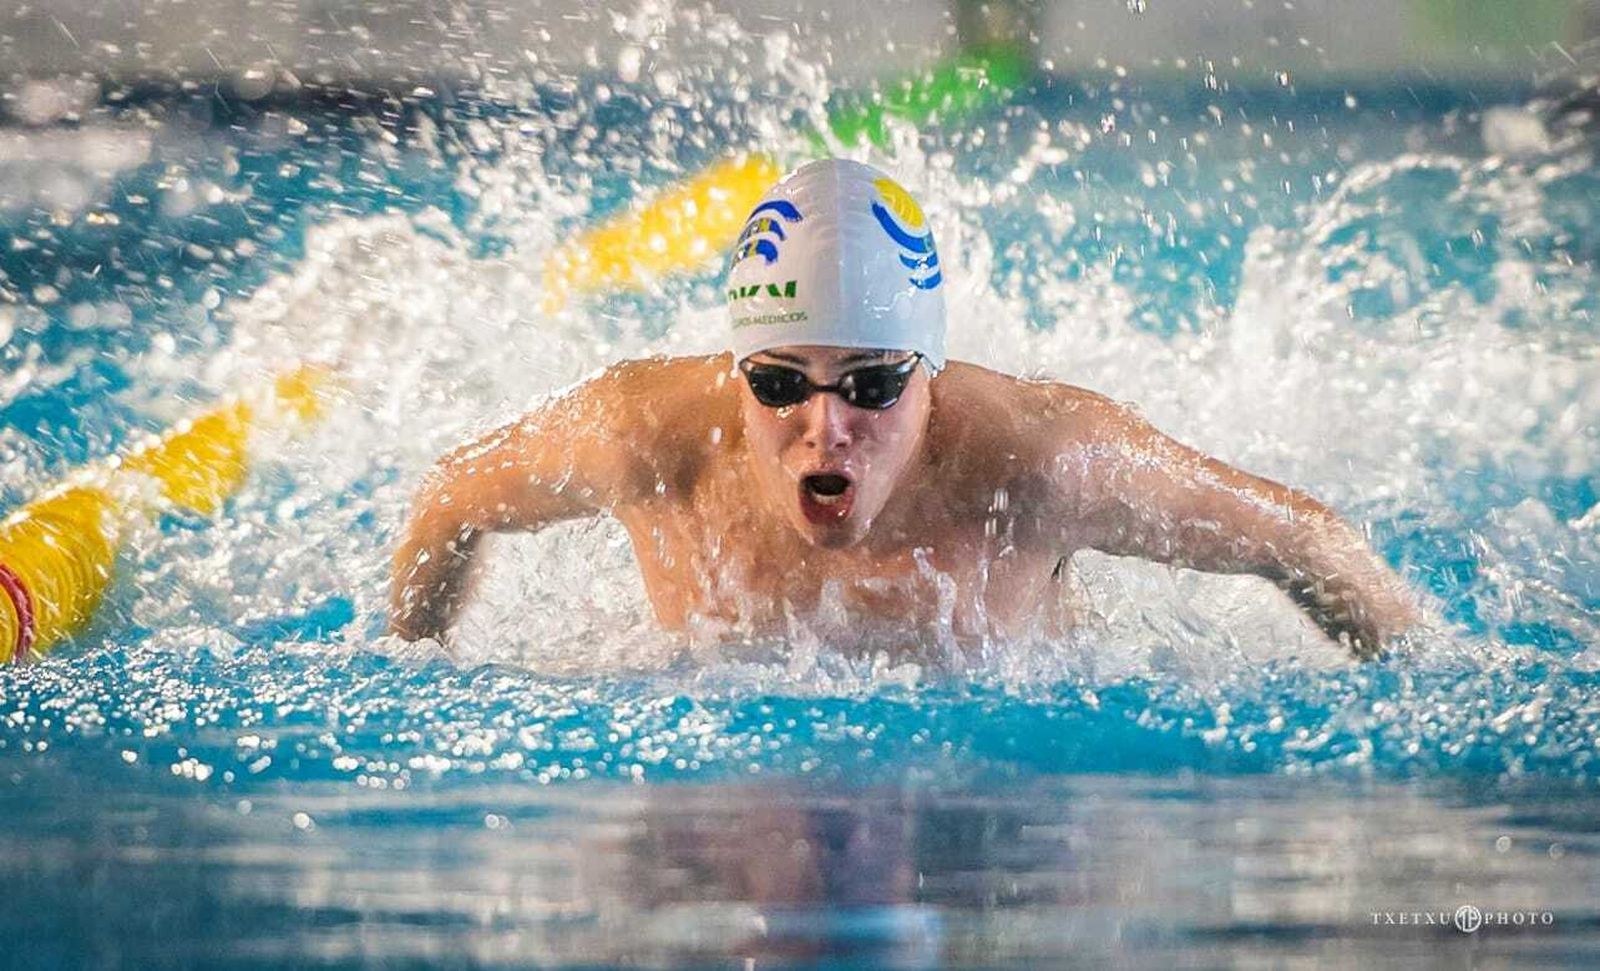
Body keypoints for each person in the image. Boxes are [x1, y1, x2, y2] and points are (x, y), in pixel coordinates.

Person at [390, 159, 1419, 657]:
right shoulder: (646, 438)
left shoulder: (1043, 464)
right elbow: (448, 501)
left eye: (873, 384)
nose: (824, 427)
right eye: (780, 382)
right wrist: (415, 670)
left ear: (929, 374)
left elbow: (1306, 540)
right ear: (735, 370)